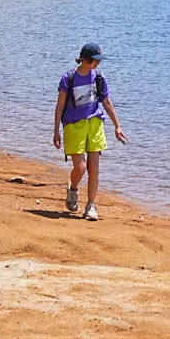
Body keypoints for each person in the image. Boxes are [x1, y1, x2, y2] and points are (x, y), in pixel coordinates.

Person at [52, 43, 127, 221]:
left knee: (94, 169)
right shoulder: (68, 78)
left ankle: (91, 205)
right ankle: (73, 188)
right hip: (73, 126)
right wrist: (56, 131)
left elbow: (107, 102)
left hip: (95, 125)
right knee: (81, 167)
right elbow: (60, 105)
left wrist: (117, 126)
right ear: (85, 59)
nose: (98, 64)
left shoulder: (99, 77)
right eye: (95, 60)